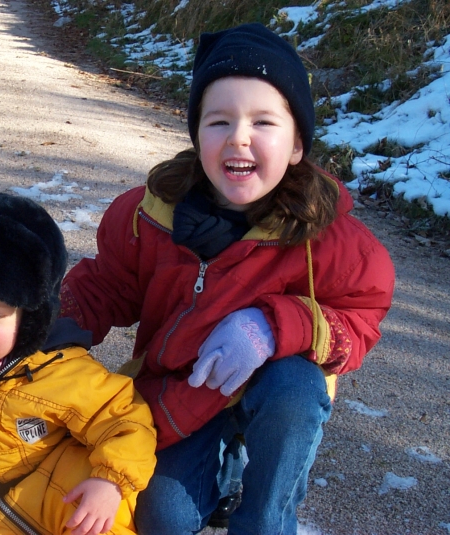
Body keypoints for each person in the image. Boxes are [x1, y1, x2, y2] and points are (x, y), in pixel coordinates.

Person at [59, 23, 395, 535]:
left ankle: (266, 516)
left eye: (263, 122)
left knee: (294, 387)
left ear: (298, 144)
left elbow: (361, 316)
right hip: (187, 391)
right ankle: (224, 463)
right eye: (219, 121)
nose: (239, 136)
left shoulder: (327, 239)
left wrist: (272, 326)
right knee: (163, 519)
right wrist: (43, 323)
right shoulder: (149, 215)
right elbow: (108, 286)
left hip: (278, 386)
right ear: (197, 136)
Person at [0, 192, 157, 535]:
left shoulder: (59, 371)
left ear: (29, 319)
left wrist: (110, 483)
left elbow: (126, 418)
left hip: (55, 500)